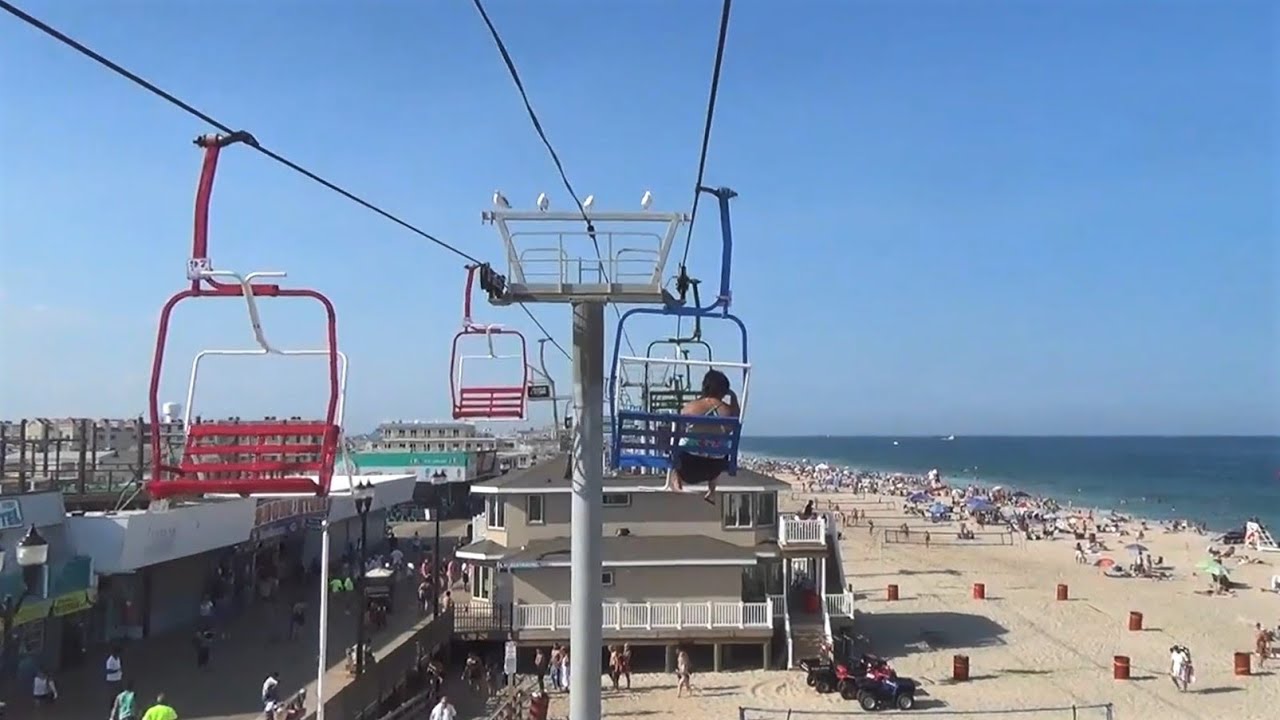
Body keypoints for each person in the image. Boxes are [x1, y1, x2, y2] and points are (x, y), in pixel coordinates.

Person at [665, 369, 740, 503]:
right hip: (714, 468)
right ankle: (712, 490)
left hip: (688, 466)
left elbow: (679, 432)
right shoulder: (728, 412)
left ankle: (676, 481)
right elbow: (736, 420)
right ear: (724, 390)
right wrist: (733, 396)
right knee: (718, 448)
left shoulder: (690, 408)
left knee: (676, 446)